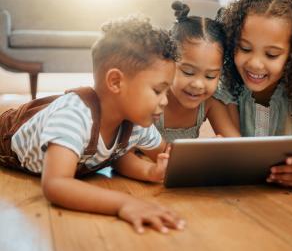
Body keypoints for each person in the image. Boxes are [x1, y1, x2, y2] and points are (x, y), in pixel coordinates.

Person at [0, 16, 186, 233]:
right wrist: (125, 202)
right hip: (7, 135)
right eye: (157, 90)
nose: (165, 101)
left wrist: (151, 171)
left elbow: (130, 155)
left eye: (166, 91)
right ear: (116, 81)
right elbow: (56, 185)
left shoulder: (138, 122)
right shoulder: (73, 116)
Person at [215, 0, 292, 187]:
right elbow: (237, 152)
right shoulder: (225, 89)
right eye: (244, 48)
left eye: (271, 54)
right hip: (242, 190)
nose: (255, 63)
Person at [154, 1, 240, 142]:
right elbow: (126, 153)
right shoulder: (153, 98)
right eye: (188, 72)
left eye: (210, 76)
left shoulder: (209, 103)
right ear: (168, 61)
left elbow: (237, 145)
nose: (198, 84)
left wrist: (217, 148)